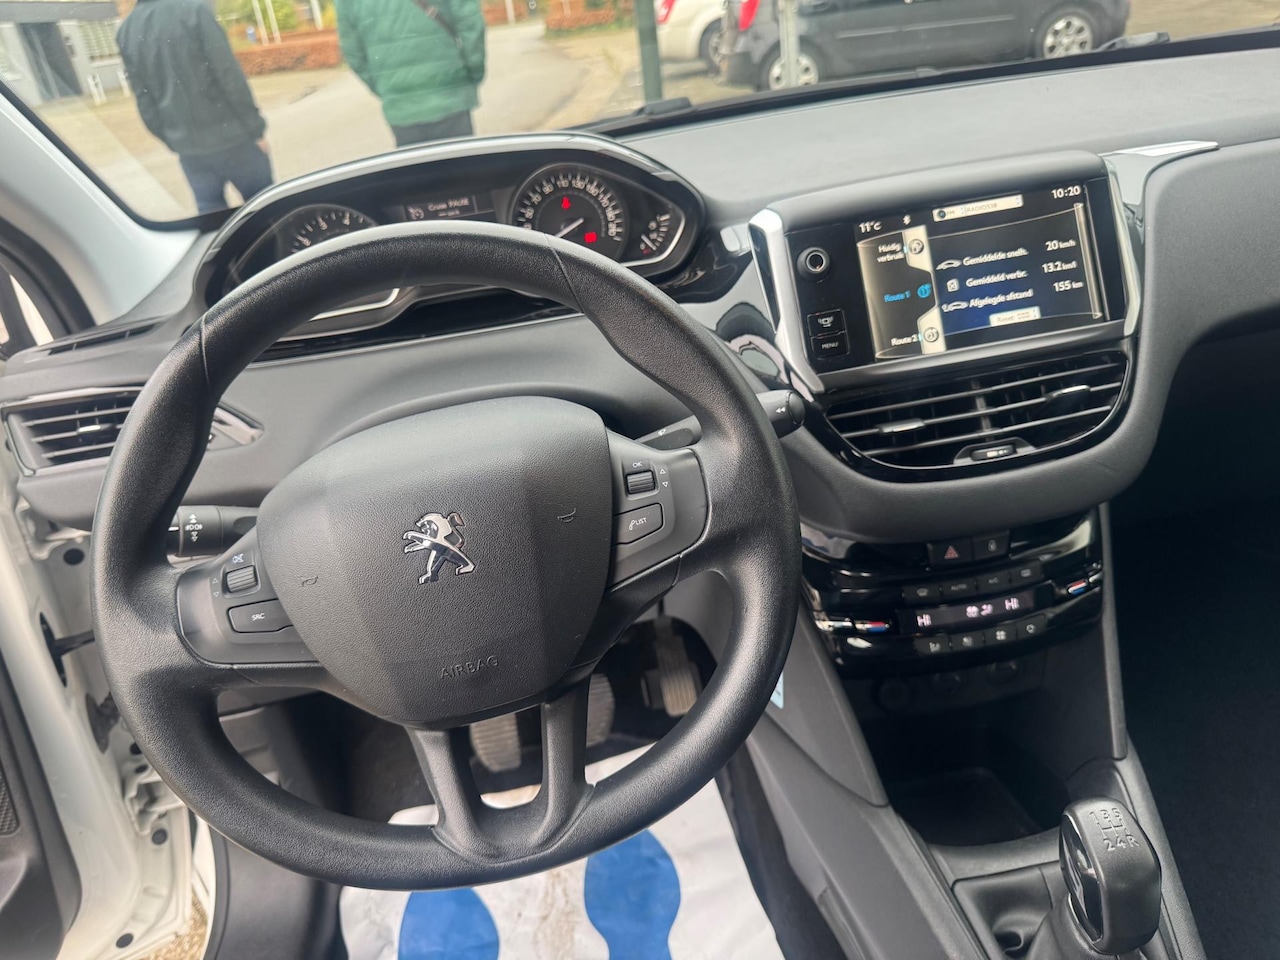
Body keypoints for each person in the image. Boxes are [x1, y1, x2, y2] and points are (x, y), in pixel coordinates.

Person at [117, 0, 273, 215]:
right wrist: (256, 130)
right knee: (268, 214)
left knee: (212, 221)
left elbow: (145, 101)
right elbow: (228, 75)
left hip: (191, 152)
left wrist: (174, 140)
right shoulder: (195, 10)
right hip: (235, 140)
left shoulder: (126, 31)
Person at [335, 0, 486, 147]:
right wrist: (472, 73)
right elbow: (471, 23)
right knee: (460, 161)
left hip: (401, 107)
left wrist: (386, 88)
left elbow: (352, 51)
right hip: (450, 96)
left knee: (416, 164)